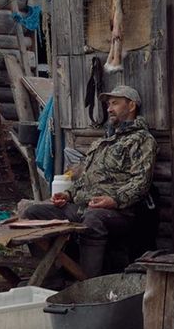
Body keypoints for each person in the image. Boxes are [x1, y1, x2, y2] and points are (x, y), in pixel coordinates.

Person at [23, 85, 155, 279]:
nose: (109, 108)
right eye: (108, 104)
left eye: (115, 103)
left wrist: (114, 200)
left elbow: (141, 182)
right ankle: (51, 276)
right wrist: (67, 195)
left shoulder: (142, 140)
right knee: (33, 212)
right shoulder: (102, 142)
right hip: (83, 206)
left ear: (132, 106)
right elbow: (86, 178)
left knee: (93, 220)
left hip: (119, 212)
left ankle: (87, 284)